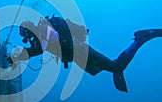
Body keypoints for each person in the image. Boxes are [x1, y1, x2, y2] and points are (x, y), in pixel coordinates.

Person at [8, 15, 162, 92]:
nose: (28, 40)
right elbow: (33, 51)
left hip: (80, 50)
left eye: (26, 36)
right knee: (104, 68)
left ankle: (140, 39)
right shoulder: (40, 36)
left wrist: (22, 54)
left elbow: (49, 41)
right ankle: (118, 64)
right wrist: (16, 57)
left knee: (116, 67)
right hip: (77, 55)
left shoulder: (44, 29)